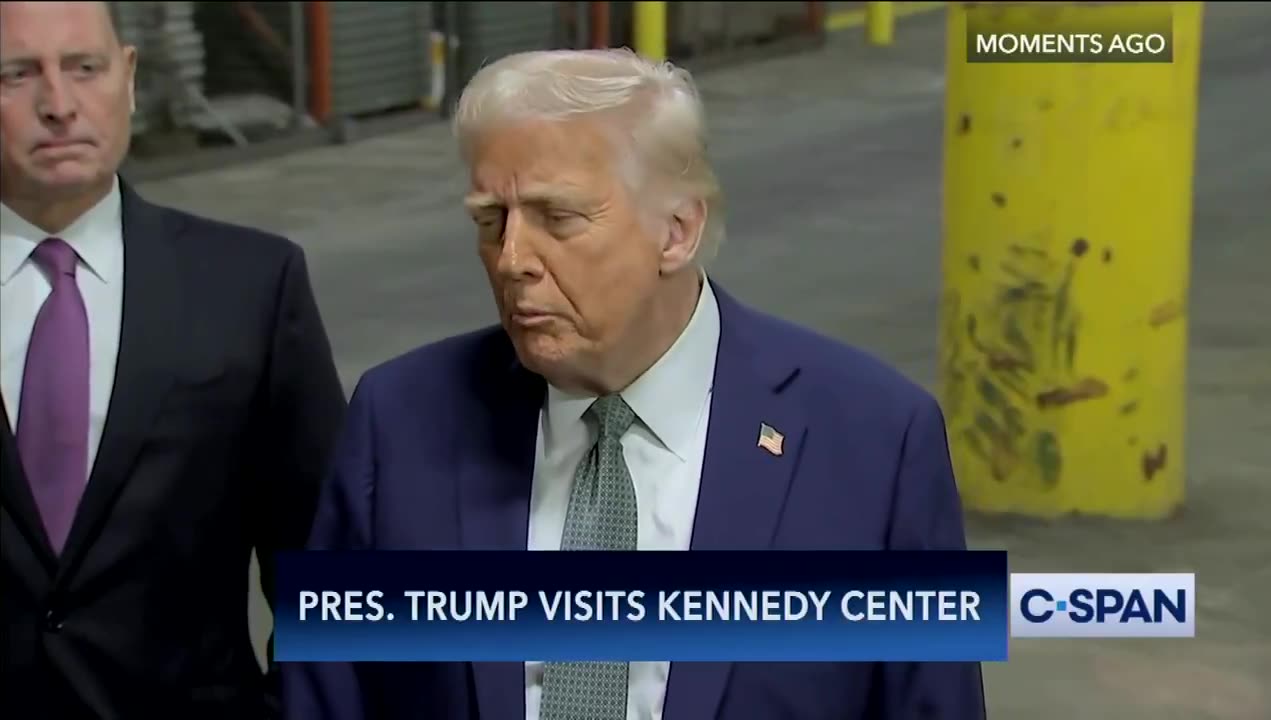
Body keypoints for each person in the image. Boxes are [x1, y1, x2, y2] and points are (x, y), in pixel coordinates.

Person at [285, 48, 985, 720]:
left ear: (676, 232)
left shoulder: (874, 442)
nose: (512, 259)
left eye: (557, 218)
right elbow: (326, 695)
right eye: (491, 221)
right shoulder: (400, 419)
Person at [0, 3, 347, 719]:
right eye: (17, 74)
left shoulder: (251, 285)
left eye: (84, 68)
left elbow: (323, 562)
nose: (59, 105)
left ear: (127, 78)